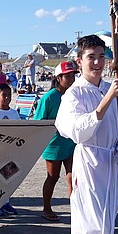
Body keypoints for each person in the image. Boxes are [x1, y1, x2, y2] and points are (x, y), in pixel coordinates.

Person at [54, 35, 118, 234]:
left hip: (111, 163)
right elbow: (77, 131)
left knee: (107, 226)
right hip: (89, 163)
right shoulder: (75, 93)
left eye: (101, 56)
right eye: (91, 57)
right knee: (92, 227)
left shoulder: (112, 87)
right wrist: (107, 98)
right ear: (80, 61)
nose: (97, 62)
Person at [33, 60, 77, 222]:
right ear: (59, 78)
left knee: (73, 176)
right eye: (68, 76)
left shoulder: (74, 95)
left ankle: (76, 208)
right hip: (54, 144)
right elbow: (38, 122)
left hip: (71, 142)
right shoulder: (49, 98)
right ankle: (46, 208)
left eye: (73, 75)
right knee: (53, 177)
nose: (71, 79)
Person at [0, 83, 20, 217]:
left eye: (9, 95)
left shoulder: (14, 113)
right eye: (4, 95)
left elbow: (20, 130)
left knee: (9, 177)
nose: (6, 98)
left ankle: (6, 202)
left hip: (10, 150)